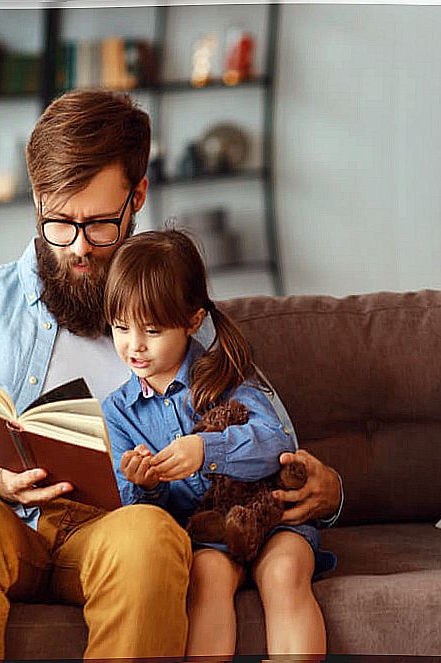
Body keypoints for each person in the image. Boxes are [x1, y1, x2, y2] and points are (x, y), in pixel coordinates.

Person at [0, 88, 343, 660]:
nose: (79, 248)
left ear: (137, 198)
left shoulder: (175, 312)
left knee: (152, 538)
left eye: (101, 224)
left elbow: (269, 443)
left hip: (114, 527)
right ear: (36, 201)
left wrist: (330, 492)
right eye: (60, 222)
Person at [102, 229, 331, 659]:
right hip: (207, 535)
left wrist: (207, 449)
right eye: (120, 328)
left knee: (283, 574)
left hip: (272, 518)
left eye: (151, 330)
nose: (134, 345)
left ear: (192, 320)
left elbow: (276, 441)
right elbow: (138, 509)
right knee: (205, 579)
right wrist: (146, 484)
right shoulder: (119, 412)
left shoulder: (224, 372)